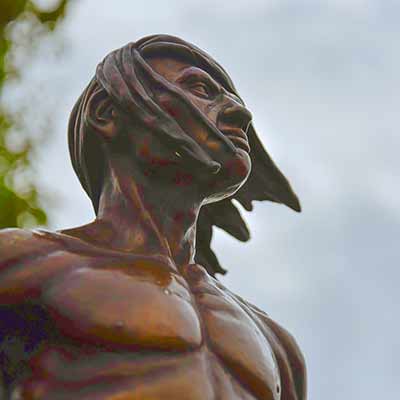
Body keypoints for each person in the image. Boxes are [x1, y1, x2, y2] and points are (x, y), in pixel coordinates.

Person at [0, 35, 306, 399]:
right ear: (106, 113)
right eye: (199, 89)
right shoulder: (20, 263)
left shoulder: (276, 345)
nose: (242, 113)